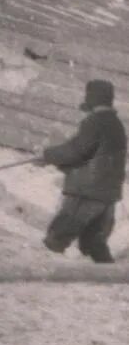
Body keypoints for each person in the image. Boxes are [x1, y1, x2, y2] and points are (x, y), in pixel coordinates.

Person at [36, 79, 127, 264]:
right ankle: (112, 281)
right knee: (95, 243)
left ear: (91, 98)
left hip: (86, 193)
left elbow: (76, 151)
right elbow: (96, 156)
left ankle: (45, 276)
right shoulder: (117, 125)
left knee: (57, 237)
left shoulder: (94, 122)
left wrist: (47, 155)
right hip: (107, 196)